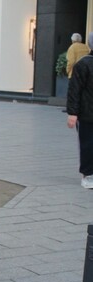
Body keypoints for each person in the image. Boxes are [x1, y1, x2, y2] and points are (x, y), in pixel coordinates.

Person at [66, 32, 93, 189]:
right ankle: (88, 174)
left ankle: (89, 174)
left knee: (88, 143)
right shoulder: (83, 65)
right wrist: (73, 113)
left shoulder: (83, 64)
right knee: (88, 143)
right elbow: (75, 91)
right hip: (87, 113)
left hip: (86, 113)